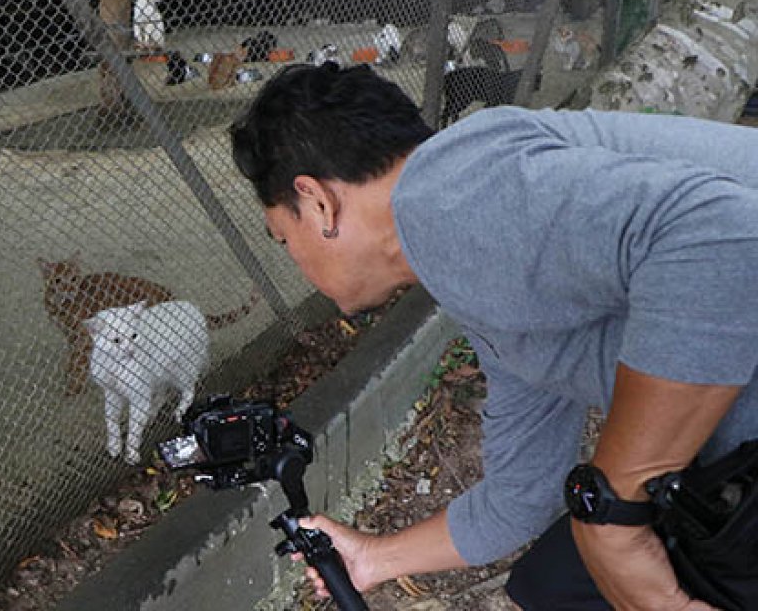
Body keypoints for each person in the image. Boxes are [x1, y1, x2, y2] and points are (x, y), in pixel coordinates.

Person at [229, 61, 758, 610]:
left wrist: (613, 511)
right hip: (734, 464)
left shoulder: (447, 199)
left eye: (282, 238)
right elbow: (520, 498)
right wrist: (373, 558)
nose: (294, 259)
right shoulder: (475, 258)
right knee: (555, 583)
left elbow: (724, 238)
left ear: (317, 202)